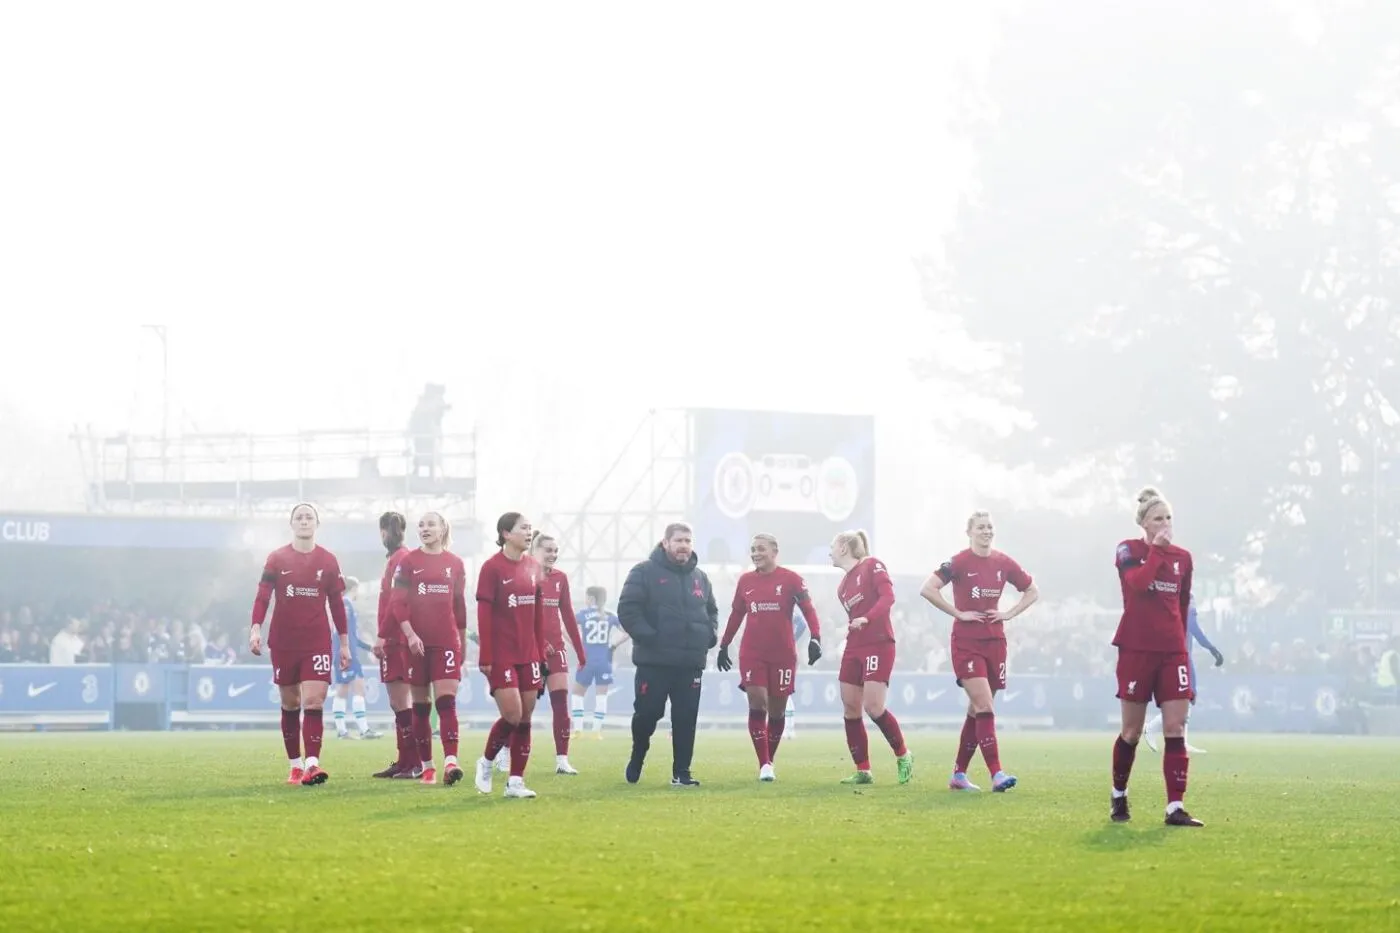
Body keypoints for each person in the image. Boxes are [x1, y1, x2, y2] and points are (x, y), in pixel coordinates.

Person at [919, 511, 1039, 792]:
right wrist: (958, 613)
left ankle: (958, 774)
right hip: (966, 644)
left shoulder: (1003, 562)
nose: (986, 531)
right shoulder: (959, 561)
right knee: (985, 705)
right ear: (969, 532)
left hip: (995, 642)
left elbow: (1032, 591)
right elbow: (928, 588)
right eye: (981, 527)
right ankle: (996, 773)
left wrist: (1009, 614)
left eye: (990, 527)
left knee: (976, 710)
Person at [1109, 487, 1203, 827]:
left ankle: (1175, 806)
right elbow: (1137, 584)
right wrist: (1157, 553)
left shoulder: (1183, 558)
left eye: (1168, 517)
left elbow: (1181, 602)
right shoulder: (1129, 550)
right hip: (1136, 649)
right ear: (1144, 524)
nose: (1165, 523)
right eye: (1157, 518)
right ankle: (1118, 795)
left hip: (1172, 652)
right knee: (1131, 731)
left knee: (1175, 726)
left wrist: (1181, 644)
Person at [249, 502, 352, 786]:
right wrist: (255, 628)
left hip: (317, 641)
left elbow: (337, 604)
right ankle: (295, 765)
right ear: (291, 524)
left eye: (309, 517)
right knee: (291, 702)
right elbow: (262, 596)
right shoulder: (277, 558)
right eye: (299, 517)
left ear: (317, 524)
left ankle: (313, 764)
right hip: (283, 641)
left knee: (314, 700)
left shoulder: (328, 561)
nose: (304, 521)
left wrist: (343, 643)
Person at [618, 522, 718, 787]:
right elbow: (628, 610)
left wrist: (709, 636)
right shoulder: (644, 572)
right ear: (666, 543)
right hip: (655, 662)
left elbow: (711, 611)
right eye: (678, 541)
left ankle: (682, 773)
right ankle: (638, 755)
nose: (684, 546)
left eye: (688, 540)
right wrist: (651, 637)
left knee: (686, 719)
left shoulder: (701, 578)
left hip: (690, 663)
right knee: (647, 715)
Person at [716, 533, 822, 781]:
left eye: (760, 549)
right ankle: (763, 763)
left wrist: (816, 637)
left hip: (783, 654)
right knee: (757, 702)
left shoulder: (791, 580)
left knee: (776, 711)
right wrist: (724, 645)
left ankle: (769, 760)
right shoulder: (745, 581)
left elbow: (808, 610)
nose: (755, 553)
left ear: (775, 551)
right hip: (752, 653)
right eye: (752, 549)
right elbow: (735, 615)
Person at [387, 511, 468, 785]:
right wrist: (409, 634)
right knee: (421, 706)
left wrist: (462, 646)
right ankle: (428, 766)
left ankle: (451, 762)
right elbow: (397, 603)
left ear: (443, 528)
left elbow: (459, 607)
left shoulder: (455, 564)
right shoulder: (408, 562)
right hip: (415, 644)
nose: (424, 529)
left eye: (430, 524)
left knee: (446, 702)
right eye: (421, 525)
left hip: (446, 642)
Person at [472, 511, 548, 799]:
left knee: (526, 717)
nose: (529, 533)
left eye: (530, 528)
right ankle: (487, 762)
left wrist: (540, 656)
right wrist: (486, 657)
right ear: (506, 533)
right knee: (512, 715)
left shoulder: (533, 566)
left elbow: (538, 616)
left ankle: (515, 781)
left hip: (529, 655)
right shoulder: (492, 568)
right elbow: (484, 615)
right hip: (502, 654)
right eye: (523, 528)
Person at [830, 529, 913, 785]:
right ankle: (863, 770)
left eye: (833, 546)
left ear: (844, 547)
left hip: (878, 644)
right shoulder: (842, 587)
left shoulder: (873, 566)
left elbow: (888, 597)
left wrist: (867, 618)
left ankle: (903, 755)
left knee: (873, 707)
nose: (830, 552)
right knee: (850, 708)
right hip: (854, 646)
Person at [519, 531, 587, 775]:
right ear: (534, 551)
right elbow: (520, 615)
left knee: (560, 704)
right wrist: (539, 641)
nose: (553, 555)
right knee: (522, 709)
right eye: (548, 550)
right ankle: (505, 752)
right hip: (529, 650)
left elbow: (567, 615)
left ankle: (562, 759)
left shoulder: (560, 578)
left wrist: (580, 652)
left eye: (556, 551)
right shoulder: (524, 576)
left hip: (556, 650)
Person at [371, 512, 420, 779]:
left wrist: (382, 634)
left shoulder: (401, 558)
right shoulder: (397, 558)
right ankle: (404, 761)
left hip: (396, 639)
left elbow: (395, 603)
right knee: (397, 702)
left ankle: (413, 763)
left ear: (384, 532)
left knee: (402, 702)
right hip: (394, 638)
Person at [1144, 594, 1224, 754]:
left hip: (1185, 660)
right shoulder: (1186, 612)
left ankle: (1182, 741)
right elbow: (1197, 632)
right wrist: (1212, 649)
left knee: (1188, 699)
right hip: (1182, 661)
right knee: (1185, 700)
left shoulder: (1175, 613)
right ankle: (1151, 727)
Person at [571, 586, 627, 735]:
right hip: (604, 659)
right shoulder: (610, 614)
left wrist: (577, 645)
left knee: (577, 694)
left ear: (590, 598)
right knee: (601, 696)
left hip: (586, 658)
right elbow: (627, 632)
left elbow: (565, 628)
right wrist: (613, 645)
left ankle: (578, 730)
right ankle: (596, 731)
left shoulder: (583, 614)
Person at [331, 577, 381, 740]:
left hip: (345, 652)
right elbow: (342, 632)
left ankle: (342, 730)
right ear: (354, 588)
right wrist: (345, 651)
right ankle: (362, 729)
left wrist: (369, 648)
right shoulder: (345, 603)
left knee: (344, 690)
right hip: (347, 654)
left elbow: (352, 635)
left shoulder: (345, 604)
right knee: (357, 688)